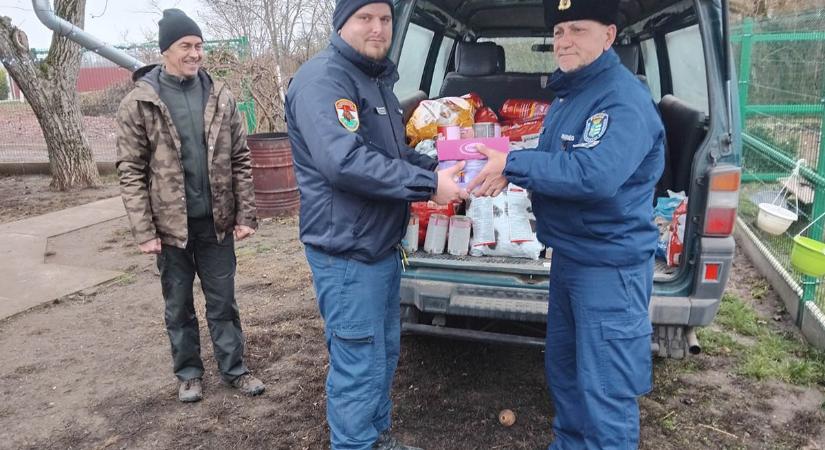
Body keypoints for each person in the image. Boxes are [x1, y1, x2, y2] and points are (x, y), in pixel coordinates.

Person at [467, 0, 665, 448]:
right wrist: (507, 166)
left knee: (605, 393)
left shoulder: (622, 100)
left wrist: (513, 164)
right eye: (558, 32)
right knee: (568, 380)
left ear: (609, 35)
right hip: (572, 259)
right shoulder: (571, 93)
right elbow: (557, 158)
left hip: (609, 269)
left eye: (577, 28)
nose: (565, 41)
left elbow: (594, 176)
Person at [285, 0, 465, 448]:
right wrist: (428, 186)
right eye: (365, 18)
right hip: (346, 253)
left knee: (381, 355)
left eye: (385, 19)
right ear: (341, 23)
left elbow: (394, 155)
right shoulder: (323, 81)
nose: (378, 28)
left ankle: (376, 439)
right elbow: (344, 163)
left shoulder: (374, 79)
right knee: (358, 365)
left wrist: (449, 167)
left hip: (379, 247)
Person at [116, 9, 265, 403]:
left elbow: (240, 158)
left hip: (215, 223)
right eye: (186, 46)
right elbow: (130, 170)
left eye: (199, 46)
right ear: (165, 50)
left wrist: (245, 214)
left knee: (223, 302)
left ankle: (235, 369)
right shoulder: (140, 103)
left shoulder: (220, 95)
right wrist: (144, 230)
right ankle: (188, 374)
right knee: (178, 304)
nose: (195, 53)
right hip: (170, 230)